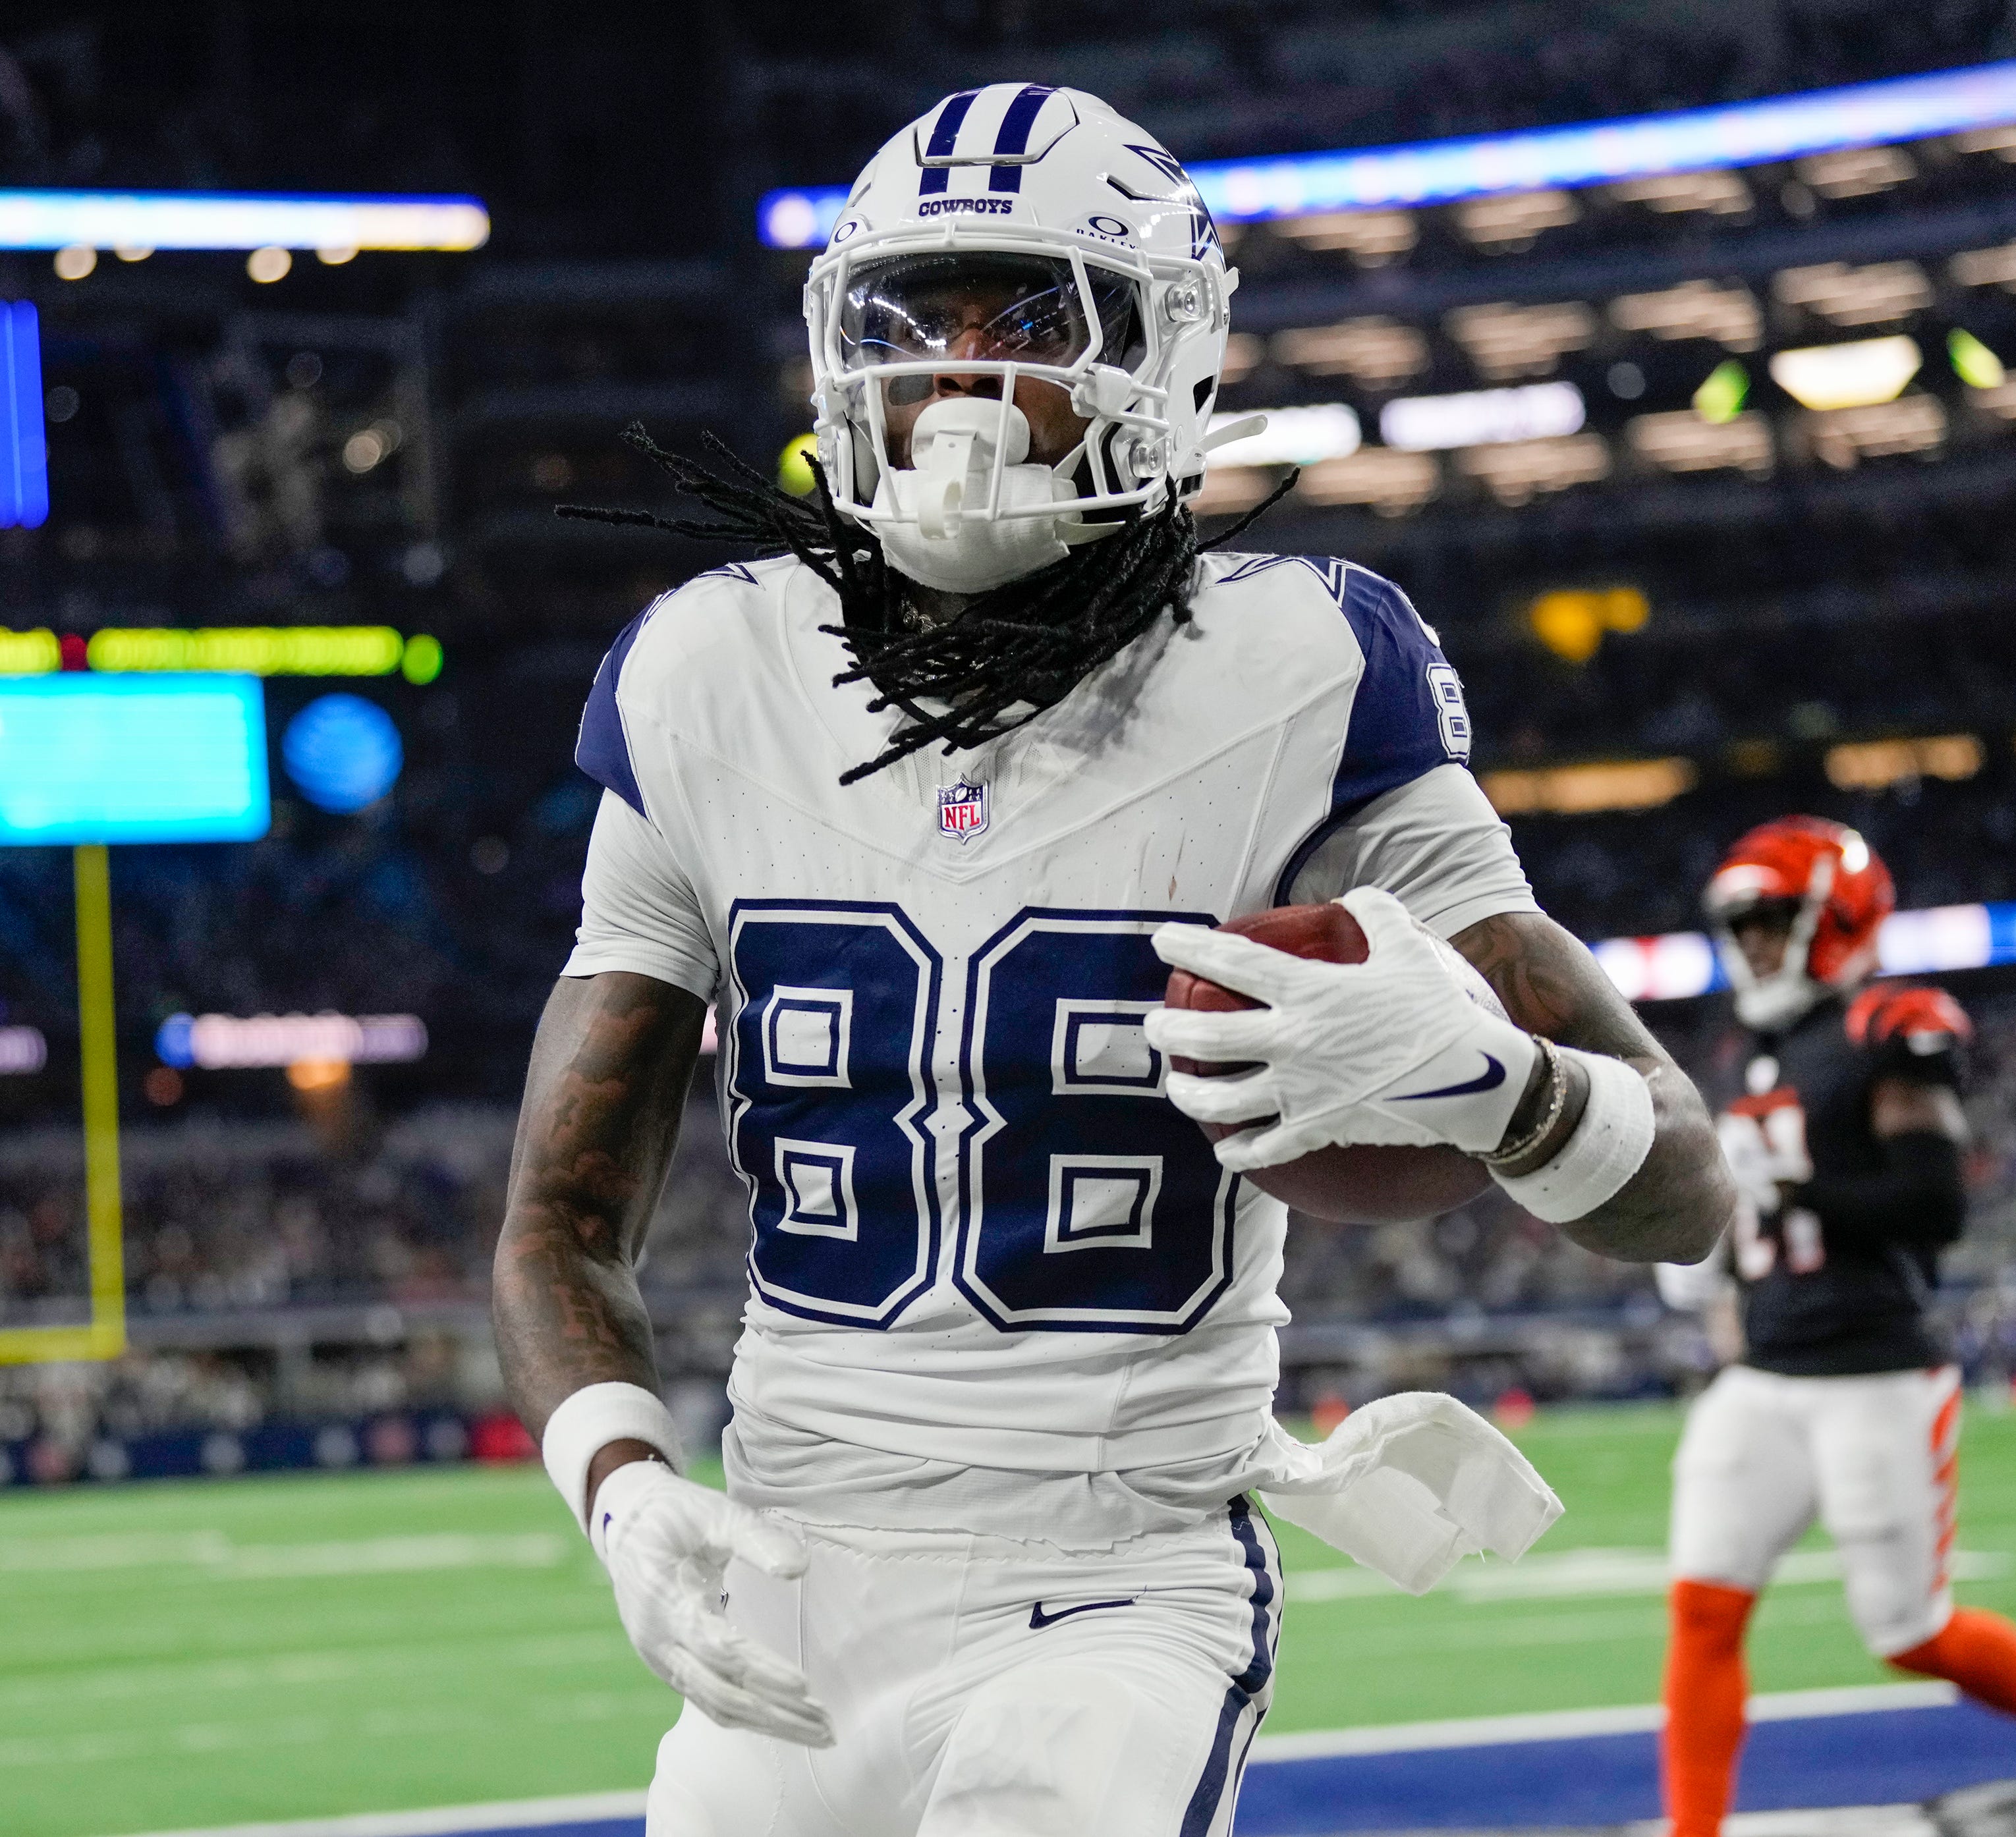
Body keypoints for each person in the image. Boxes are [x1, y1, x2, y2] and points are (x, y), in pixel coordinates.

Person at [491, 82, 1733, 1837]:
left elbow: (1682, 1181)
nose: (961, 380)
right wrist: (621, 1484)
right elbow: (558, 1216)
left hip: (1117, 1579)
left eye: (1031, 319)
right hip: (792, 1575)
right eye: (913, 321)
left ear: (1171, 353)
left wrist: (1490, 1078)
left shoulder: (1307, 661)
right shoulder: (704, 671)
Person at [1655, 815, 2016, 1837]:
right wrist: (1706, 1228)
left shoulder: (1895, 1025)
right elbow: (1753, 1210)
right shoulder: (1758, 1049)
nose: (1751, 944)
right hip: (1765, 1373)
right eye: (1741, 924)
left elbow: (1935, 1208)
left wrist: (1791, 1188)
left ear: (1835, 920)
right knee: (1704, 1610)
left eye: (1771, 921)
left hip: (1874, 1370)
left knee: (1909, 1629)